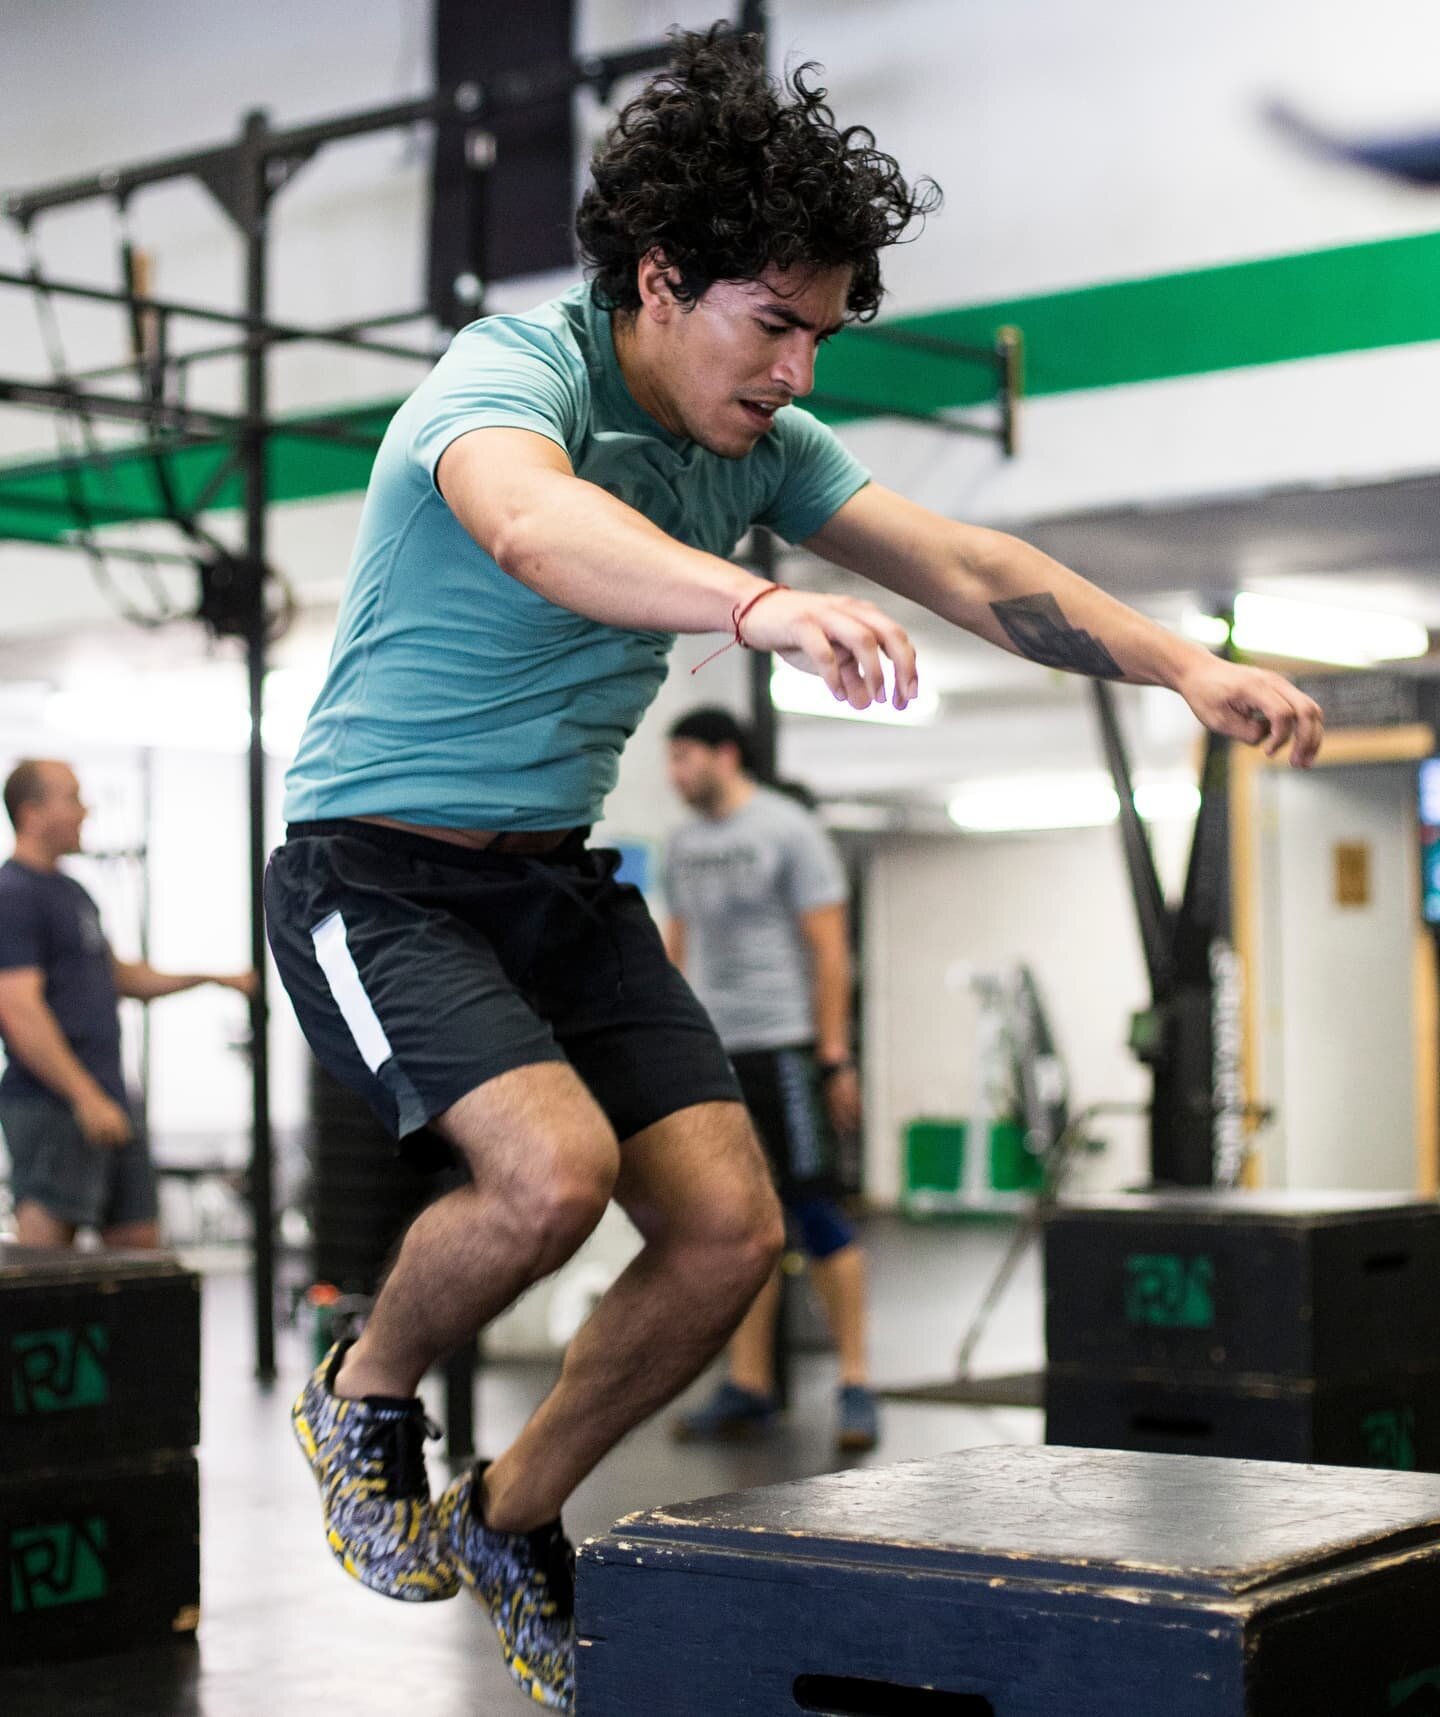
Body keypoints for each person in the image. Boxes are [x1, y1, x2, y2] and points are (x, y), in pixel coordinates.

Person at [262, 24, 1322, 1712]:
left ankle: (514, 1507)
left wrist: (1184, 665)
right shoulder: (507, 372)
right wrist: (754, 602)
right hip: (373, 875)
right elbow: (534, 526)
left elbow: (967, 562)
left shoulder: (755, 447)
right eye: (775, 327)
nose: (798, 374)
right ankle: (365, 1388)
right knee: (545, 1177)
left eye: (820, 335)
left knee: (729, 1233)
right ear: (663, 280)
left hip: (553, 881)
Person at [662, 707, 879, 1453]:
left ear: (726, 755)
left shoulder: (789, 830)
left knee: (815, 1214)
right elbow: (677, 947)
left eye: (685, 756)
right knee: (738, 1220)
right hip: (713, 1051)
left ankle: (855, 1382)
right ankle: (748, 1385)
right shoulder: (682, 844)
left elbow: (830, 950)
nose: (674, 772)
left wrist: (834, 1056)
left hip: (785, 1046)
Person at [0, 759, 256, 1251]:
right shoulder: (13, 895)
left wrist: (212, 978)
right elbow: (17, 1010)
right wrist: (83, 1096)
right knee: (46, 1256)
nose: (84, 809)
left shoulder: (72, 893)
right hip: (54, 1104)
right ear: (31, 812)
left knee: (137, 1243)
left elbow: (120, 978)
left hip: (110, 1093)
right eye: (71, 797)